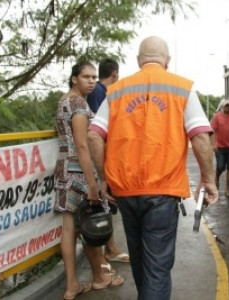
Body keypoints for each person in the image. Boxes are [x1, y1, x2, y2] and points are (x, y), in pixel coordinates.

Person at [87, 36, 219, 300]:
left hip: (125, 191)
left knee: (139, 260)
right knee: (157, 267)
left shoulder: (117, 91)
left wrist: (104, 178)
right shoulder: (181, 88)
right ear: (166, 62)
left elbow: (93, 135)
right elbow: (201, 136)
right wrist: (208, 179)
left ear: (139, 61)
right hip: (162, 192)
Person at [54, 61, 124, 300]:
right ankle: (101, 277)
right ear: (74, 78)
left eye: (95, 77)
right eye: (86, 77)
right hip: (81, 174)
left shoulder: (63, 101)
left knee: (69, 230)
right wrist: (93, 185)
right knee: (92, 226)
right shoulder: (78, 104)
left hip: (64, 171)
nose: (92, 81)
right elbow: (83, 145)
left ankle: (72, 285)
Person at [87, 58, 130, 269]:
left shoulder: (100, 92)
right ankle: (104, 255)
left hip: (107, 156)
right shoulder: (100, 92)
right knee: (105, 204)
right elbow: (97, 132)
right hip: (103, 158)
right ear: (114, 74)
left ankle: (111, 249)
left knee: (109, 205)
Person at [210, 99, 229, 198]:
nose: (228, 107)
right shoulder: (217, 117)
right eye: (226, 105)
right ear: (222, 106)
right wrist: (214, 144)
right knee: (220, 167)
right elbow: (213, 131)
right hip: (220, 147)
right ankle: (217, 178)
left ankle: (227, 189)